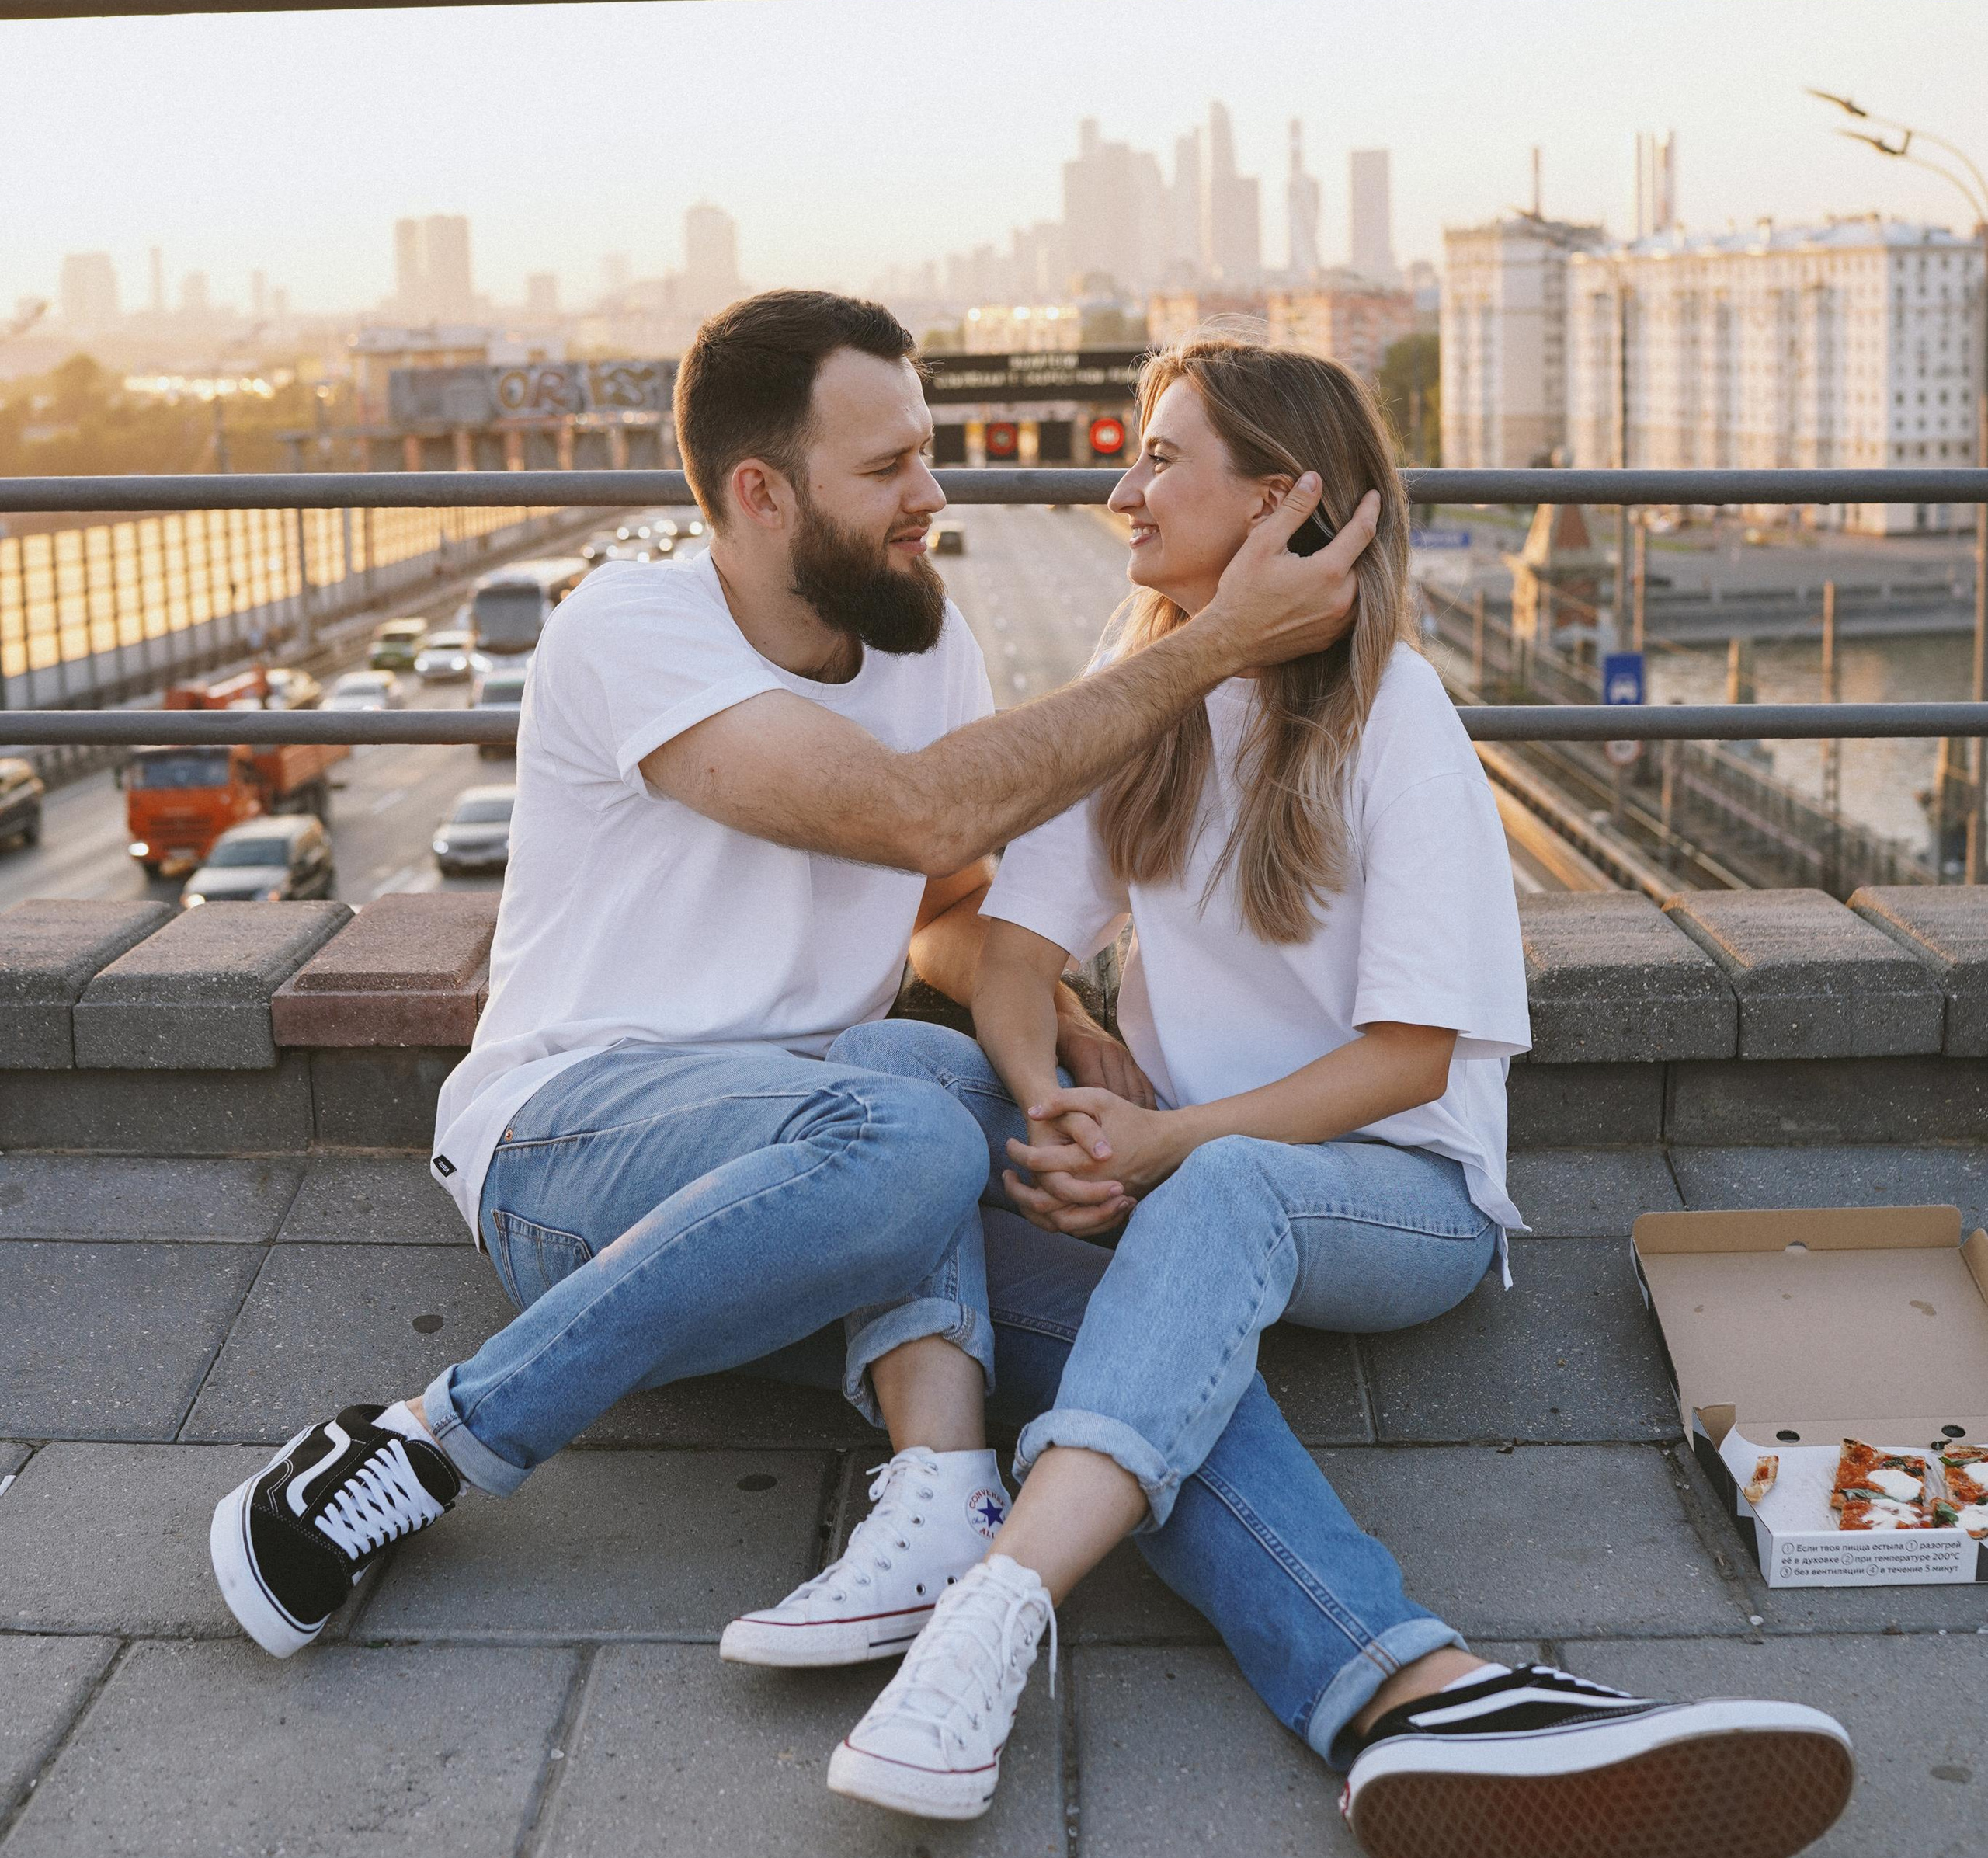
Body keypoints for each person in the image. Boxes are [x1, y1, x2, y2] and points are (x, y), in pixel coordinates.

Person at [770, 335, 1853, 1858]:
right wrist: (1050, 1101)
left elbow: (1411, 1060)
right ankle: (1403, 1692)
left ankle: (988, 1613)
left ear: (1279, 501)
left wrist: (1155, 1149)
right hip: (1179, 1184)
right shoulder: (1143, 682)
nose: (1117, 487)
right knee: (900, 1075)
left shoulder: (1387, 715)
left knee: (1215, 1213)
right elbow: (1006, 955)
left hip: (1378, 1197)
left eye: (1159, 459)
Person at [207, 290, 1376, 1668]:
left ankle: (1374, 1670)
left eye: (925, 453)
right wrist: (1220, 638)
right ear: (760, 493)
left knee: (1128, 1340)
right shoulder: (630, 630)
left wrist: (1052, 1011)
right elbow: (913, 819)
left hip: (837, 1178)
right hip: (577, 1139)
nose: (930, 496)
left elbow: (939, 905)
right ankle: (428, 1446)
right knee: (911, 1117)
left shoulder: (928, 646)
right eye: (887, 471)